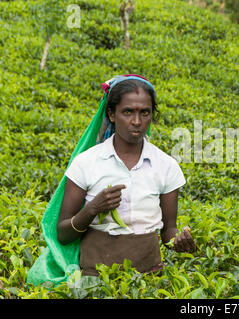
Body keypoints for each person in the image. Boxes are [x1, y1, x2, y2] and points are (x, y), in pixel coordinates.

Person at [56, 74, 195, 276]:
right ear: (112, 114)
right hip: (96, 277)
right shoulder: (86, 163)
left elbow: (168, 232)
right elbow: (63, 234)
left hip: (149, 278)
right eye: (128, 112)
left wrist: (180, 241)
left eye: (145, 113)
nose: (137, 121)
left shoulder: (166, 166)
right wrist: (93, 208)